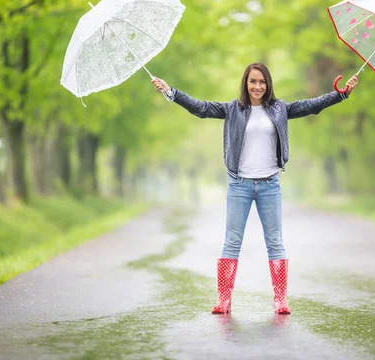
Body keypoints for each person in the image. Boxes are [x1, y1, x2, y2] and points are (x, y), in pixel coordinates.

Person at [152, 63, 357, 315]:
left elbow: (311, 106)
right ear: (245, 84)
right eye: (252, 81)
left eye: (262, 81)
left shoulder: (279, 108)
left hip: (270, 184)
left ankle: (280, 299)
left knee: (275, 242)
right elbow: (201, 108)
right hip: (239, 184)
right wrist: (171, 92)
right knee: (232, 242)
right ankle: (224, 300)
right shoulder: (232, 109)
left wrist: (341, 94)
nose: (257, 86)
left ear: (268, 84)